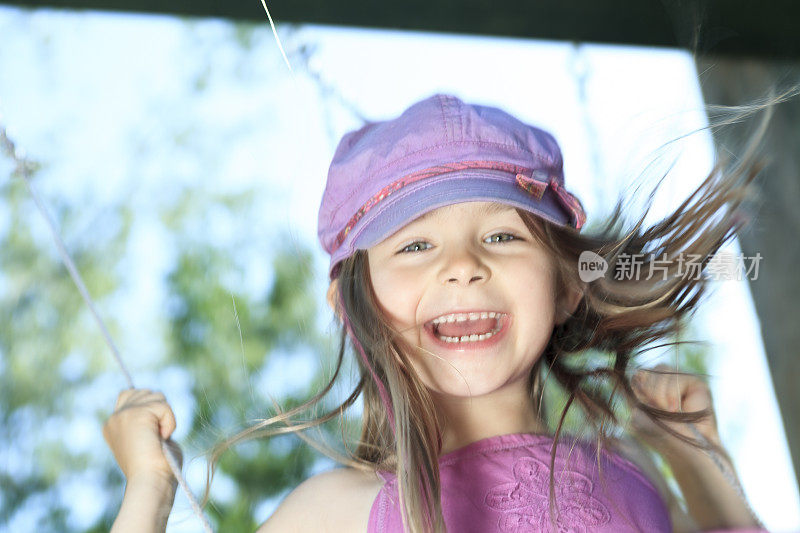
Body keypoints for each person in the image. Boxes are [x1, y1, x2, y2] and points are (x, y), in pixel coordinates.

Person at [104, 93, 771, 532]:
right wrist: (150, 490)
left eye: (504, 235)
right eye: (416, 243)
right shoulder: (333, 512)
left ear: (568, 284)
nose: (462, 264)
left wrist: (697, 461)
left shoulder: (630, 470)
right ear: (351, 302)